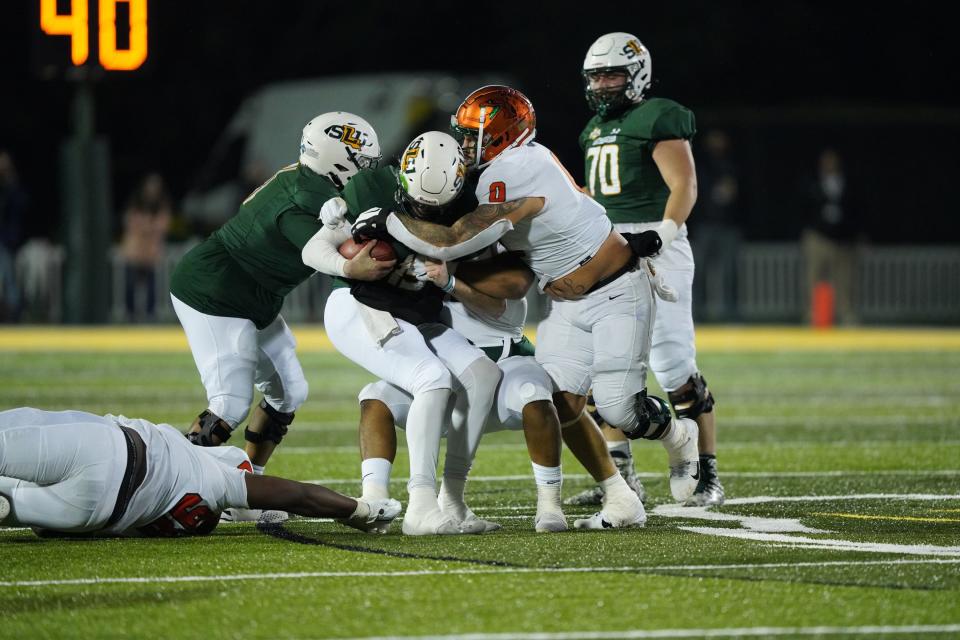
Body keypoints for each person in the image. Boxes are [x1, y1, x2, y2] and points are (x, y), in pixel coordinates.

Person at [352, 85, 701, 506]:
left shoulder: (511, 170)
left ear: (499, 135)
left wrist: (389, 220)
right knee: (560, 401)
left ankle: (680, 436)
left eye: (470, 135)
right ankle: (620, 495)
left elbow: (451, 242)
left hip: (617, 291)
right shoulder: (509, 165)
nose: (463, 145)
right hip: (567, 302)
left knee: (618, 412)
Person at [357, 244, 646, 532]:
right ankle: (375, 499)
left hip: (506, 361)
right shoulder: (412, 246)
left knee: (541, 397)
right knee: (375, 396)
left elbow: (512, 288)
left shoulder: (505, 244)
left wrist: (447, 274)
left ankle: (550, 505)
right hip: (440, 374)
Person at [168, 112, 382, 494]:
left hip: (257, 294)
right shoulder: (305, 195)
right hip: (218, 289)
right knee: (229, 403)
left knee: (289, 392)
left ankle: (251, 484)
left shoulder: (314, 183)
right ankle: (170, 493)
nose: (366, 170)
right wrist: (351, 265)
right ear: (337, 158)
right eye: (361, 162)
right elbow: (320, 252)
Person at [304, 131, 501, 536]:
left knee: (484, 375)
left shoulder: (465, 206)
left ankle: (452, 498)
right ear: (403, 181)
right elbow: (314, 248)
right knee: (432, 378)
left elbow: (462, 239)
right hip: (365, 308)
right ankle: (421, 506)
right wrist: (347, 266)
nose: (428, 210)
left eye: (438, 204)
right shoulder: (377, 203)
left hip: (419, 316)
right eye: (418, 202)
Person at [571, 32, 724, 508]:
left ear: (637, 73)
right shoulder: (592, 131)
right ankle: (619, 479)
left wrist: (665, 233)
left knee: (674, 364)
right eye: (595, 76)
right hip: (608, 245)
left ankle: (705, 472)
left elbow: (685, 183)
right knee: (603, 363)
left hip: (656, 245)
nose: (602, 84)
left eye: (611, 74)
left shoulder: (658, 115)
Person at [0, 407, 400, 537]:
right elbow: (300, 498)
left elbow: (298, 494)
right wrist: (353, 511)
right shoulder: (208, 494)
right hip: (95, 512)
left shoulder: (215, 472)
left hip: (110, 452)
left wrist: (358, 509)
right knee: (11, 505)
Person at [801, 148, 859, 326]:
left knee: (844, 279)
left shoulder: (847, 182)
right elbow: (804, 208)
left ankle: (845, 313)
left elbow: (856, 208)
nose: (829, 164)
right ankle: (812, 314)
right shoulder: (812, 182)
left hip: (842, 238)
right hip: (818, 236)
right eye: (826, 161)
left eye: (832, 161)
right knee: (814, 276)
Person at [691, 129, 741, 322]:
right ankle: (699, 313)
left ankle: (731, 313)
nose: (717, 143)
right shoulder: (700, 165)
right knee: (700, 271)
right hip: (704, 226)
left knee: (730, 272)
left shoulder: (734, 164)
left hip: (729, 226)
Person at [119, 172, 173, 322]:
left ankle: (150, 316)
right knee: (129, 285)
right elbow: (131, 222)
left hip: (151, 252)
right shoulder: (135, 202)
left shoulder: (162, 204)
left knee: (152, 288)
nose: (152, 189)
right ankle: (129, 316)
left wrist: (146, 226)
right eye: (150, 185)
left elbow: (163, 225)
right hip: (135, 252)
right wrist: (149, 226)